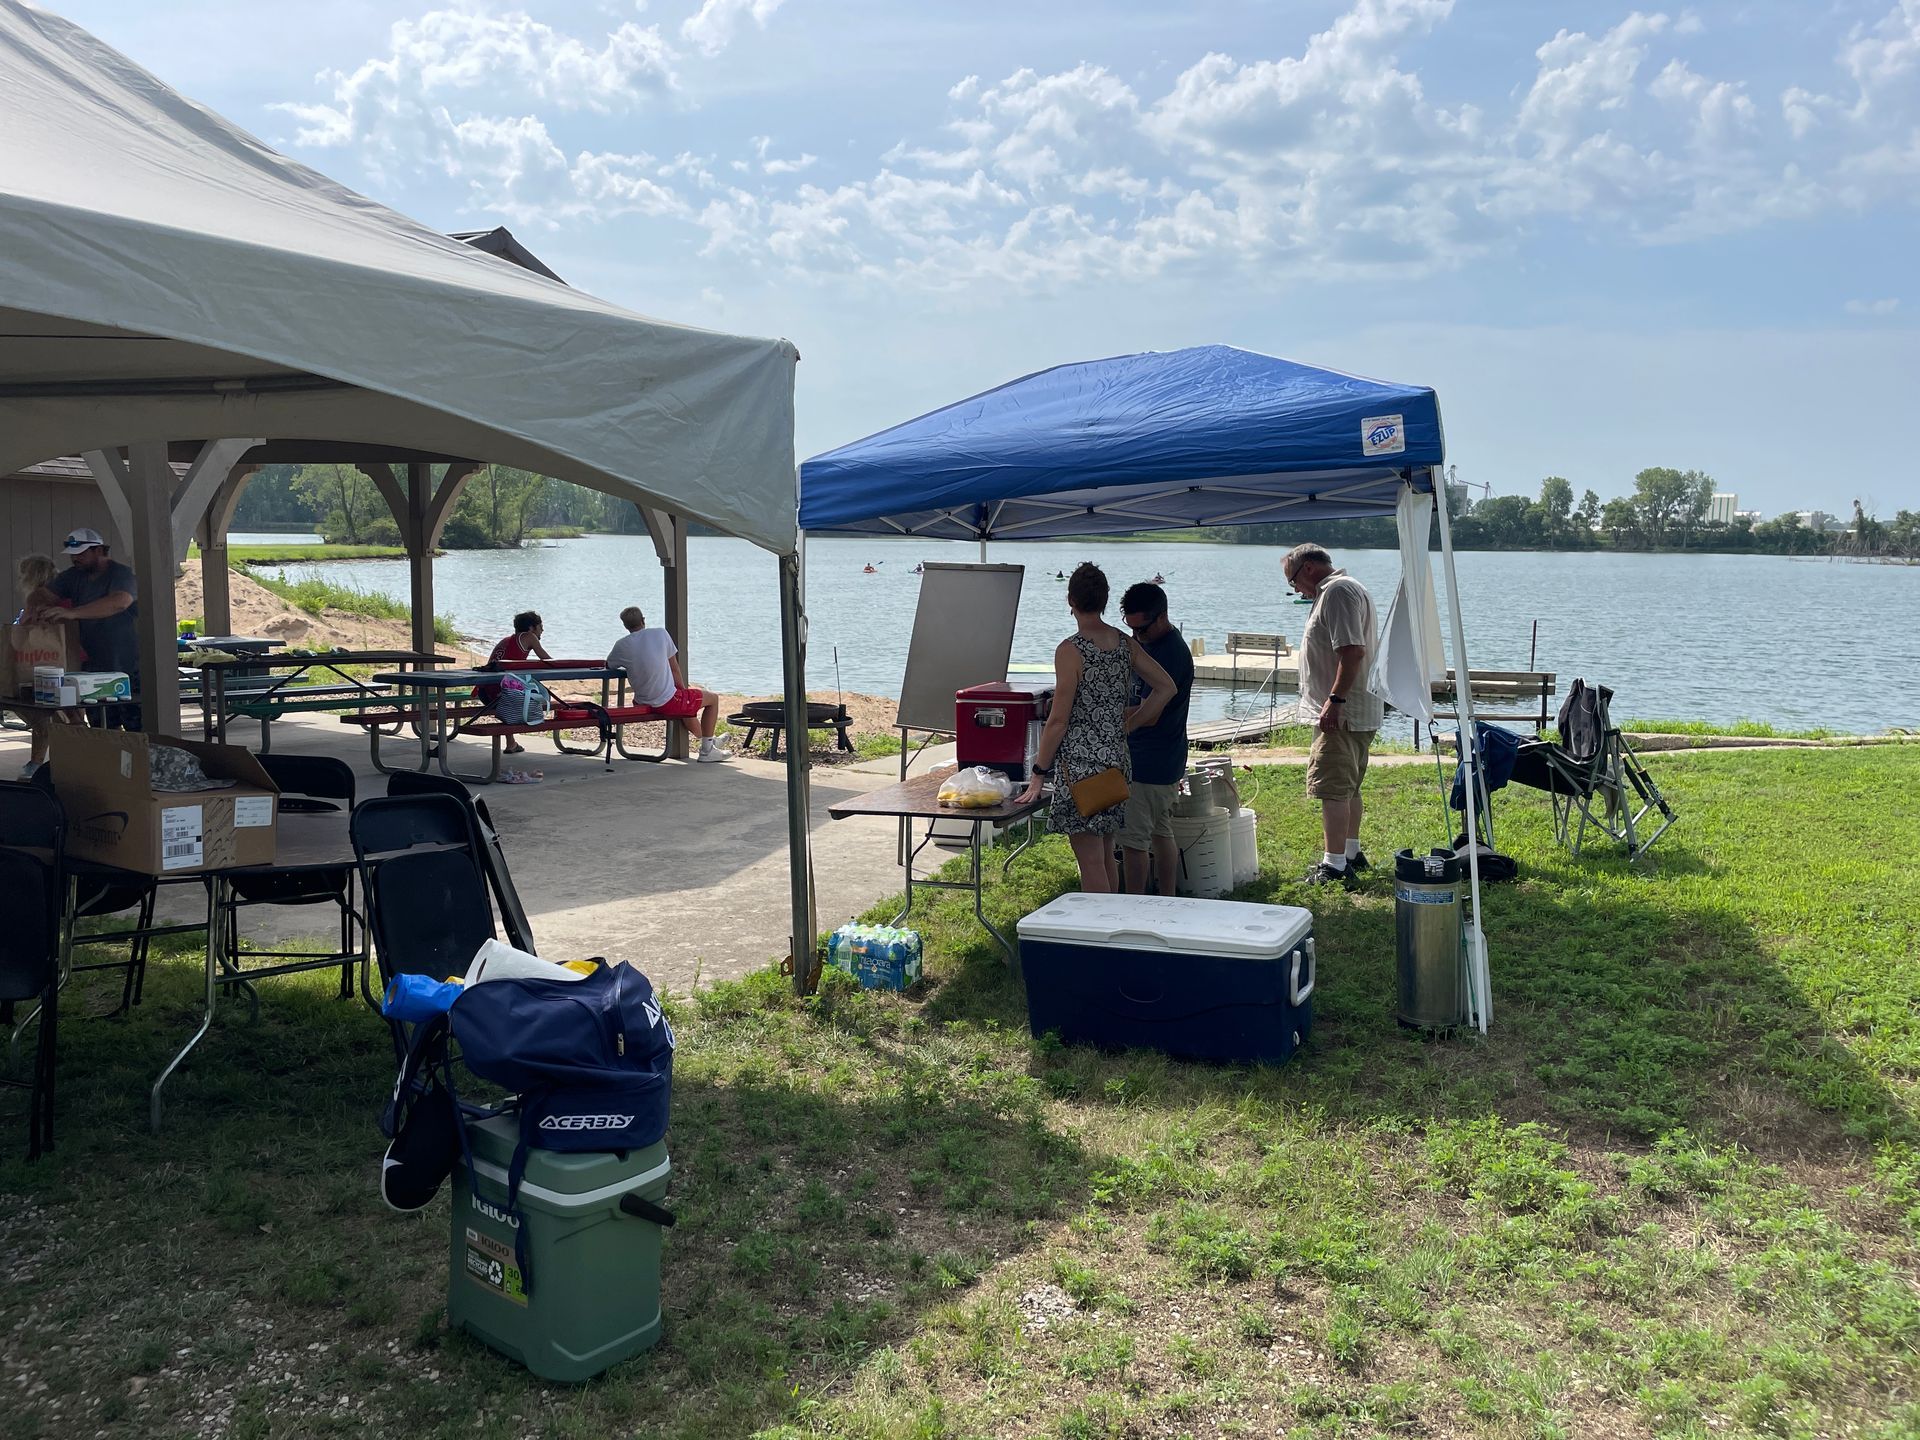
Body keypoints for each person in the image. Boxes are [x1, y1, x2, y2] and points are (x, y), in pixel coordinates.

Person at [1016, 563, 1175, 892]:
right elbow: (1166, 687)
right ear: (1105, 600)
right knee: (1104, 853)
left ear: (1069, 600)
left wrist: (1038, 773)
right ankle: (1113, 924)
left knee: (1089, 860)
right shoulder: (1124, 643)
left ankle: (1101, 933)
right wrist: (1129, 724)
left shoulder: (1070, 650)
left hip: (1081, 768)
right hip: (1118, 761)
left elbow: (1058, 719)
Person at [1284, 543, 1383, 886]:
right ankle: (1351, 853)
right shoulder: (1346, 589)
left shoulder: (1337, 591)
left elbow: (1352, 651)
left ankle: (1335, 866)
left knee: (1332, 788)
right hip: (1352, 708)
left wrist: (1335, 699)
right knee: (1348, 787)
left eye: (1293, 581)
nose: (1295, 589)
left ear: (1308, 568)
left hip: (1342, 711)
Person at [1118, 581, 1194, 896]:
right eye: (1131, 630)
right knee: (1162, 833)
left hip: (1149, 760)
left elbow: (1150, 712)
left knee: (1134, 843)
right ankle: (1166, 898)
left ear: (1162, 617)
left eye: (1143, 629)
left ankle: (1135, 904)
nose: (1138, 637)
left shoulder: (1171, 652)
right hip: (1166, 759)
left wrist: (1111, 719)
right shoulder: (1151, 643)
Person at [24, 528, 140, 732]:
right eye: (72, 554)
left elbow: (120, 601)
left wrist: (73, 613)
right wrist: (32, 609)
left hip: (129, 665)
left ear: (99, 551)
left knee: (136, 727)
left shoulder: (120, 573)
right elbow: (42, 594)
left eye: (82, 553)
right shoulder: (73, 577)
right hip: (94, 667)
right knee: (101, 727)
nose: (75, 558)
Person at [606, 606, 730, 763]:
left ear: (625, 625)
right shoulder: (660, 633)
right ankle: (707, 750)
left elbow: (610, 665)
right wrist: (683, 691)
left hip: (641, 701)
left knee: (684, 704)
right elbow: (674, 668)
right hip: (664, 702)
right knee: (712, 699)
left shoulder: (621, 645)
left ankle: (710, 741)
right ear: (643, 620)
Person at [12, 553, 84, 777]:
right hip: (74, 658)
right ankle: (78, 760)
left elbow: (24, 630)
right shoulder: (68, 594)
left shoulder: (37, 597)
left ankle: (37, 763)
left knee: (38, 711)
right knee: (75, 713)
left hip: (46, 663)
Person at [479, 610, 552, 752]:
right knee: (543, 697)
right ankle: (540, 725)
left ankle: (511, 743)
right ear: (531, 628)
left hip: (485, 692)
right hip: (498, 694)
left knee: (513, 692)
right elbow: (547, 660)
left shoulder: (506, 640)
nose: (542, 630)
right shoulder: (529, 637)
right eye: (540, 626)